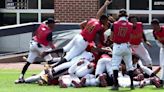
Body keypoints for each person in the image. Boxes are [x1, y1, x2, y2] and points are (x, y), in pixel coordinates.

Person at [15, 18, 57, 83]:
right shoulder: (49, 32)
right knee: (50, 61)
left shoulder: (42, 25)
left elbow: (45, 22)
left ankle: (21, 77)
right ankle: (48, 76)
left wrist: (53, 21)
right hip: (40, 47)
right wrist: (55, 48)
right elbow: (50, 44)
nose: (55, 25)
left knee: (28, 63)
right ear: (50, 24)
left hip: (33, 44)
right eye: (53, 24)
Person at [110, 9, 134, 90]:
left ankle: (115, 85)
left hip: (118, 45)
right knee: (130, 66)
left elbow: (111, 37)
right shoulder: (130, 25)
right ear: (126, 15)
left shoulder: (114, 24)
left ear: (119, 15)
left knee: (115, 65)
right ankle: (132, 85)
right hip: (127, 45)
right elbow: (130, 37)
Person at [151, 19, 164, 87]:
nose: (153, 27)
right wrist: (162, 46)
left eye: (153, 26)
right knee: (162, 65)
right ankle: (161, 81)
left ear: (157, 25)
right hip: (163, 48)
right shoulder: (154, 32)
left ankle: (161, 81)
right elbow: (157, 42)